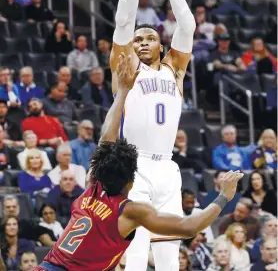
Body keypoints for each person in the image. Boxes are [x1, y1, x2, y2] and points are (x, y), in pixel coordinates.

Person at [34, 53, 243, 271]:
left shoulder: (91, 187)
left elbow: (107, 137)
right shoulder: (131, 211)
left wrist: (123, 91)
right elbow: (188, 227)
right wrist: (224, 196)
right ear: (131, 181)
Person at [110, 0, 196, 271]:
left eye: (150, 38)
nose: (143, 42)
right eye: (138, 40)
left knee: (168, 257)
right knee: (135, 252)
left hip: (167, 168)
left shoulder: (175, 70)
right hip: (136, 165)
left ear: (161, 45)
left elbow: (186, 25)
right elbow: (123, 21)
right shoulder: (126, 69)